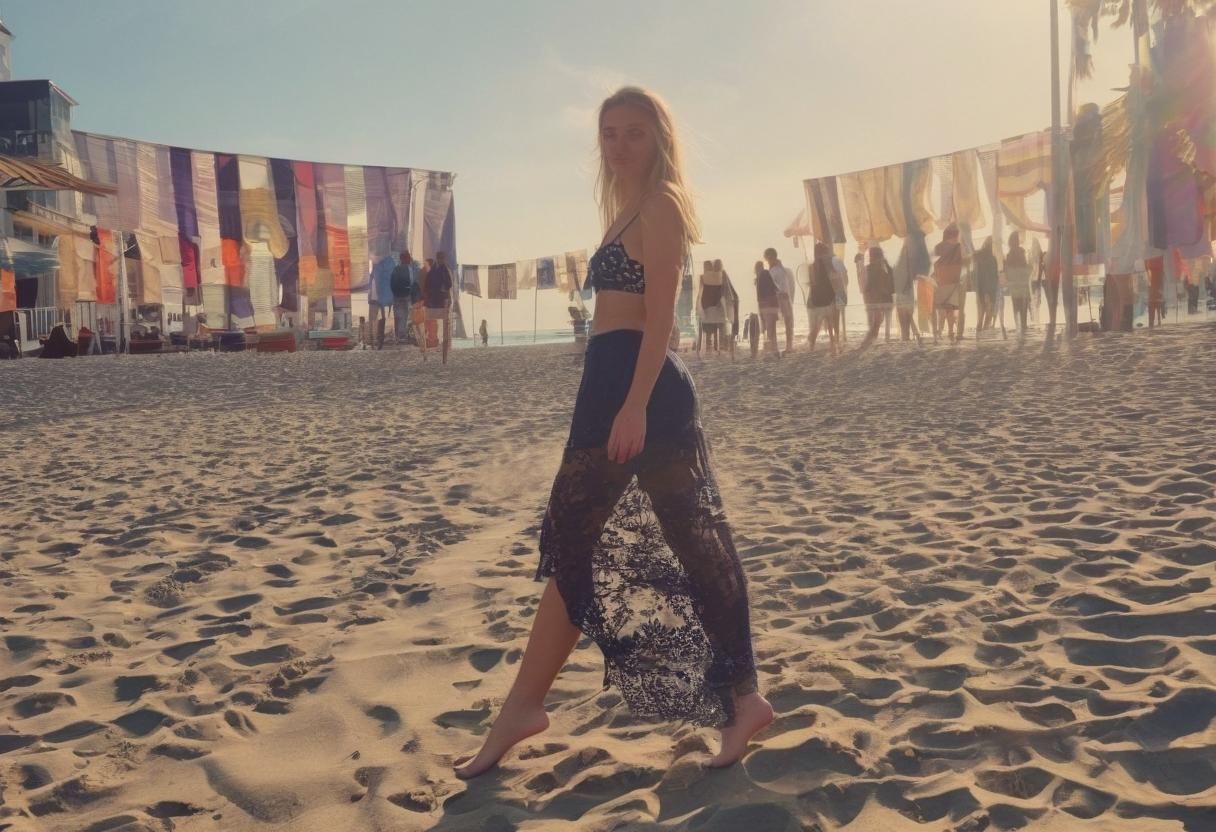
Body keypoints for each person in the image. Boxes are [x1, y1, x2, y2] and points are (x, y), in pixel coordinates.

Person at [454, 86, 771, 780]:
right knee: (684, 543)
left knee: (595, 542)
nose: (619, 145)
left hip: (636, 389)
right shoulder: (624, 207)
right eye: (608, 134)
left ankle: (524, 708)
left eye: (633, 133)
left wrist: (632, 405)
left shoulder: (660, 207)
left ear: (658, 137)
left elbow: (661, 320)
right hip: (613, 382)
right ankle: (743, 700)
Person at [933, 224, 965, 342]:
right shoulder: (959, 247)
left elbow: (935, 263)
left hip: (942, 279)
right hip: (954, 279)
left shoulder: (939, 247)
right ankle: (950, 330)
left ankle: (943, 330)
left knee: (944, 308)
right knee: (950, 307)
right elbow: (962, 262)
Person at [808, 241, 839, 354]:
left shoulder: (811, 266)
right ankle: (832, 345)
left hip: (815, 297)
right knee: (829, 320)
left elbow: (812, 282)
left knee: (818, 323)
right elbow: (833, 278)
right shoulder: (828, 265)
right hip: (827, 296)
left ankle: (812, 345)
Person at [763, 247, 795, 353]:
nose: (767, 262)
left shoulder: (773, 271)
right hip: (786, 297)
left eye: (767, 259)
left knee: (772, 323)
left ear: (770, 258)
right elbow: (790, 286)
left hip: (779, 298)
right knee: (788, 322)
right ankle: (788, 346)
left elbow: (773, 287)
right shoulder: (784, 270)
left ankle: (775, 347)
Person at [862, 246, 894, 347]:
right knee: (878, 316)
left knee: (876, 314)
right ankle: (873, 333)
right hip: (888, 300)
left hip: (876, 301)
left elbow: (868, 287)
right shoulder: (888, 267)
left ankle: (872, 333)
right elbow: (893, 287)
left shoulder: (870, 268)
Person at [425, 251, 454, 364]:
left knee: (444, 325)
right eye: (440, 258)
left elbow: (449, 284)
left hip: (441, 301)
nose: (441, 260)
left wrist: (443, 288)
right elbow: (427, 283)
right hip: (434, 300)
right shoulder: (434, 269)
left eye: (442, 259)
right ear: (438, 258)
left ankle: (443, 351)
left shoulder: (444, 269)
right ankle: (432, 342)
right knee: (431, 322)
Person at [697, 260, 726, 356]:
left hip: (707, 308)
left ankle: (709, 347)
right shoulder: (721, 277)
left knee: (708, 327)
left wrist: (698, 306)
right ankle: (717, 347)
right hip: (718, 308)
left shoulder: (702, 277)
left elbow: (700, 293)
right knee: (717, 325)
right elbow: (722, 293)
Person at [1005, 232, 1033, 334]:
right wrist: (1030, 268)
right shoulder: (1021, 253)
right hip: (1021, 284)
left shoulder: (1009, 255)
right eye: (1017, 239)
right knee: (1023, 306)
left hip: (1014, 284)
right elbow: (1025, 269)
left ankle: (1019, 327)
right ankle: (1023, 327)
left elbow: (1008, 271)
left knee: (1016, 306)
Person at [390, 251, 418, 345]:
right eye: (409, 258)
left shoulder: (396, 269)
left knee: (397, 316)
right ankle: (401, 335)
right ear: (407, 259)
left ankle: (398, 335)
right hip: (406, 295)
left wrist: (395, 292)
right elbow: (411, 282)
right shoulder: (409, 269)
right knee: (404, 316)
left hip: (397, 296)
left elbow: (392, 283)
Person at [974, 237, 1001, 336]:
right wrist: (987, 293)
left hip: (981, 289)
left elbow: (978, 276)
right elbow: (990, 276)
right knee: (988, 312)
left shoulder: (979, 257)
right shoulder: (990, 258)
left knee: (981, 313)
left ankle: (980, 335)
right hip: (989, 290)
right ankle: (984, 335)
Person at [754, 260, 780, 355]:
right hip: (773, 304)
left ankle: (771, 350)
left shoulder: (760, 277)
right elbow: (776, 288)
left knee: (768, 328)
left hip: (765, 306)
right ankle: (775, 348)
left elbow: (759, 297)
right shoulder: (768, 274)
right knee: (772, 328)